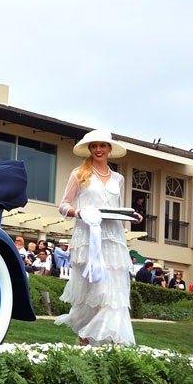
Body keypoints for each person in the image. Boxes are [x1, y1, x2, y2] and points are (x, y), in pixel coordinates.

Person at [54, 129, 140, 347]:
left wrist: (131, 216)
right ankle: (85, 337)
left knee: (114, 292)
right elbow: (63, 206)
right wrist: (80, 213)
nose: (98, 150)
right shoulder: (79, 174)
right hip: (88, 237)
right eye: (94, 146)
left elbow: (117, 209)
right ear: (90, 149)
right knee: (94, 291)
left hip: (113, 238)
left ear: (109, 149)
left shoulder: (118, 179)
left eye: (102, 146)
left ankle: (112, 342)